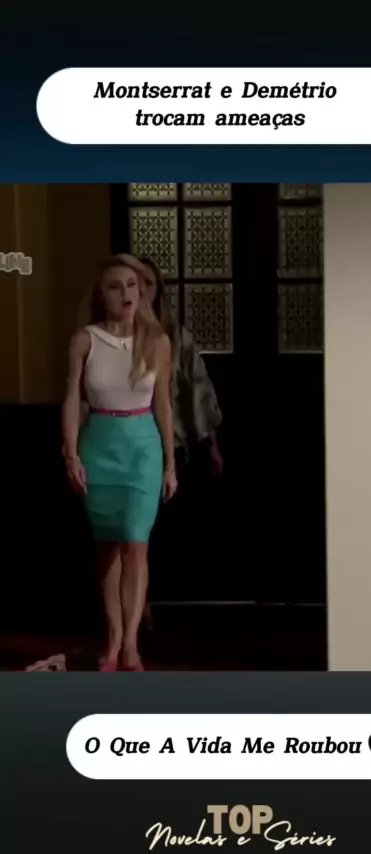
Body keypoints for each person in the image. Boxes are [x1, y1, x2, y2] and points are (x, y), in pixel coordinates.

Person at [61, 255, 177, 672]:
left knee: (135, 539)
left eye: (132, 284)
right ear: (101, 295)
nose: (126, 293)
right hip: (99, 446)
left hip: (143, 447)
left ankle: (131, 644)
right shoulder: (85, 340)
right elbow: (72, 399)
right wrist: (71, 454)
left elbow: (163, 404)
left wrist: (170, 463)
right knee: (108, 544)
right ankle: (112, 640)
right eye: (115, 286)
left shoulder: (157, 341)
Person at [139, 256, 224, 474]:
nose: (140, 289)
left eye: (147, 283)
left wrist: (211, 444)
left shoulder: (176, 337)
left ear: (158, 291)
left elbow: (200, 386)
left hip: (171, 443)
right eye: (134, 282)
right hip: (126, 445)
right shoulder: (111, 338)